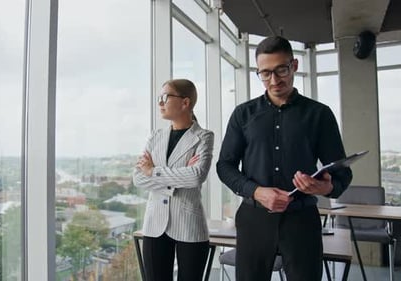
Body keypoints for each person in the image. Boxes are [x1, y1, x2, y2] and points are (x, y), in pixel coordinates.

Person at [216, 36, 353, 281]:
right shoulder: (243, 114)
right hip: (253, 219)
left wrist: (325, 186)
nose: (274, 80)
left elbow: (342, 173)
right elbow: (224, 166)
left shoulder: (319, 114)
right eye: (265, 73)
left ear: (294, 65)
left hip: (302, 220)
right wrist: (256, 191)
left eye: (281, 70)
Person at [133, 79, 214, 281]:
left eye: (165, 97)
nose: (160, 103)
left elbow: (196, 176)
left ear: (185, 103)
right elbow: (138, 178)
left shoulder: (203, 137)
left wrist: (153, 171)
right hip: (154, 225)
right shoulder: (155, 137)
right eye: (159, 98)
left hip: (189, 224)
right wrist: (179, 175)